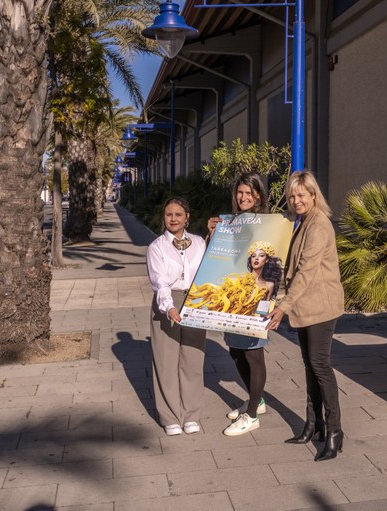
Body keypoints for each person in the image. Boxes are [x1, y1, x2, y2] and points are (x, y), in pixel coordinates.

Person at [266, 170, 345, 462]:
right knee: (310, 366)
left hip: (321, 307)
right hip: (305, 307)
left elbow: (306, 271)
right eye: (292, 196)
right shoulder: (303, 222)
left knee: (320, 366)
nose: (296, 200)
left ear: (313, 195)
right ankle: (314, 424)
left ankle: (335, 431)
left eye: (301, 195)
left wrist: (282, 307)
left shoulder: (319, 225)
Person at [207, 173, 277, 436]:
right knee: (236, 352)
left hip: (257, 298)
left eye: (250, 193)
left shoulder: (268, 224)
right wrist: (213, 233)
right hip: (234, 298)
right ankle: (256, 401)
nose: (244, 197)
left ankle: (252, 415)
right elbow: (218, 257)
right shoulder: (231, 222)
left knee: (253, 354)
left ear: (259, 195)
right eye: (240, 192)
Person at [147, 197, 207, 436]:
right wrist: (169, 307)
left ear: (187, 217)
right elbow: (159, 281)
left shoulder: (200, 242)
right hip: (167, 301)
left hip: (195, 301)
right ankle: (170, 416)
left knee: (193, 360)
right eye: (168, 214)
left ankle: (191, 415)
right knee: (166, 362)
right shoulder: (156, 247)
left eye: (178, 215)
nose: (173, 219)